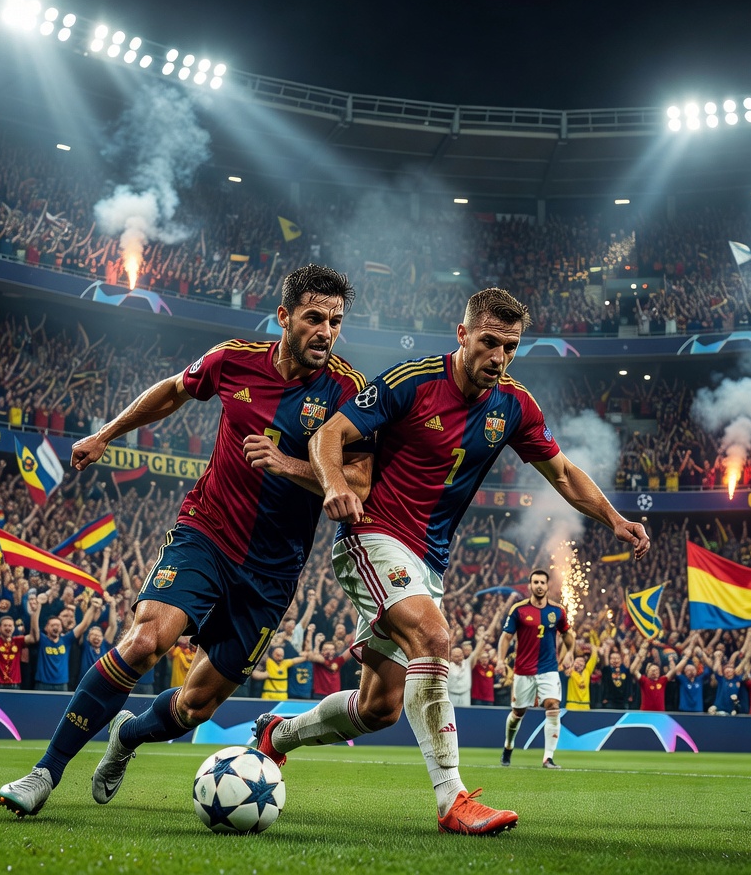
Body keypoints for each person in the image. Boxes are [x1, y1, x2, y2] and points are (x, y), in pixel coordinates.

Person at [255, 288, 650, 835]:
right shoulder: (412, 381)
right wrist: (335, 484)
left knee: (378, 708)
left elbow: (562, 473)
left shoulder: (514, 406)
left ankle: (277, 734)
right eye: (489, 342)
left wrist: (615, 519)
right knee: (435, 637)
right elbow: (330, 433)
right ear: (462, 335)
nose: (499, 356)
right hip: (374, 535)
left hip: (430, 560)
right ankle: (452, 800)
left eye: (510, 347)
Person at [0, 266, 371, 817]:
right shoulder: (233, 360)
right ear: (284, 317)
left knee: (197, 705)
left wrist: (287, 463)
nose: (326, 331)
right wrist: (105, 434)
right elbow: (174, 391)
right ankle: (44, 773)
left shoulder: (349, 391)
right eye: (315, 318)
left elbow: (358, 483)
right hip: (207, 532)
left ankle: (126, 736)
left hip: (272, 570)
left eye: (336, 321)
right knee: (146, 640)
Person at [496, 569, 572, 768]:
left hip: (549, 668)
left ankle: (548, 758)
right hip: (523, 670)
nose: (539, 586)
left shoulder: (557, 611)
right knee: (518, 713)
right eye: (535, 582)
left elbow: (567, 634)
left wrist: (570, 652)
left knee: (553, 705)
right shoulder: (518, 610)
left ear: (547, 586)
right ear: (530, 585)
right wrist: (500, 660)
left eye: (542, 582)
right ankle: (508, 746)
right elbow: (506, 637)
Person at [33, 593, 102, 692]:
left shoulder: (66, 640)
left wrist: (92, 607)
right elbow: (34, 629)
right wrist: (38, 605)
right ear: (46, 628)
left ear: (61, 628)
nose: (55, 627)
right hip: (43, 684)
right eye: (52, 625)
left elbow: (84, 624)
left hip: (62, 684)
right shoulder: (43, 640)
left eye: (58, 625)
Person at [0, 587, 38, 689]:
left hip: (14, 684)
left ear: (14, 628)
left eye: (10, 626)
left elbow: (33, 638)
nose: (8, 628)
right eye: (5, 626)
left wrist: (34, 614)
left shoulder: (18, 641)